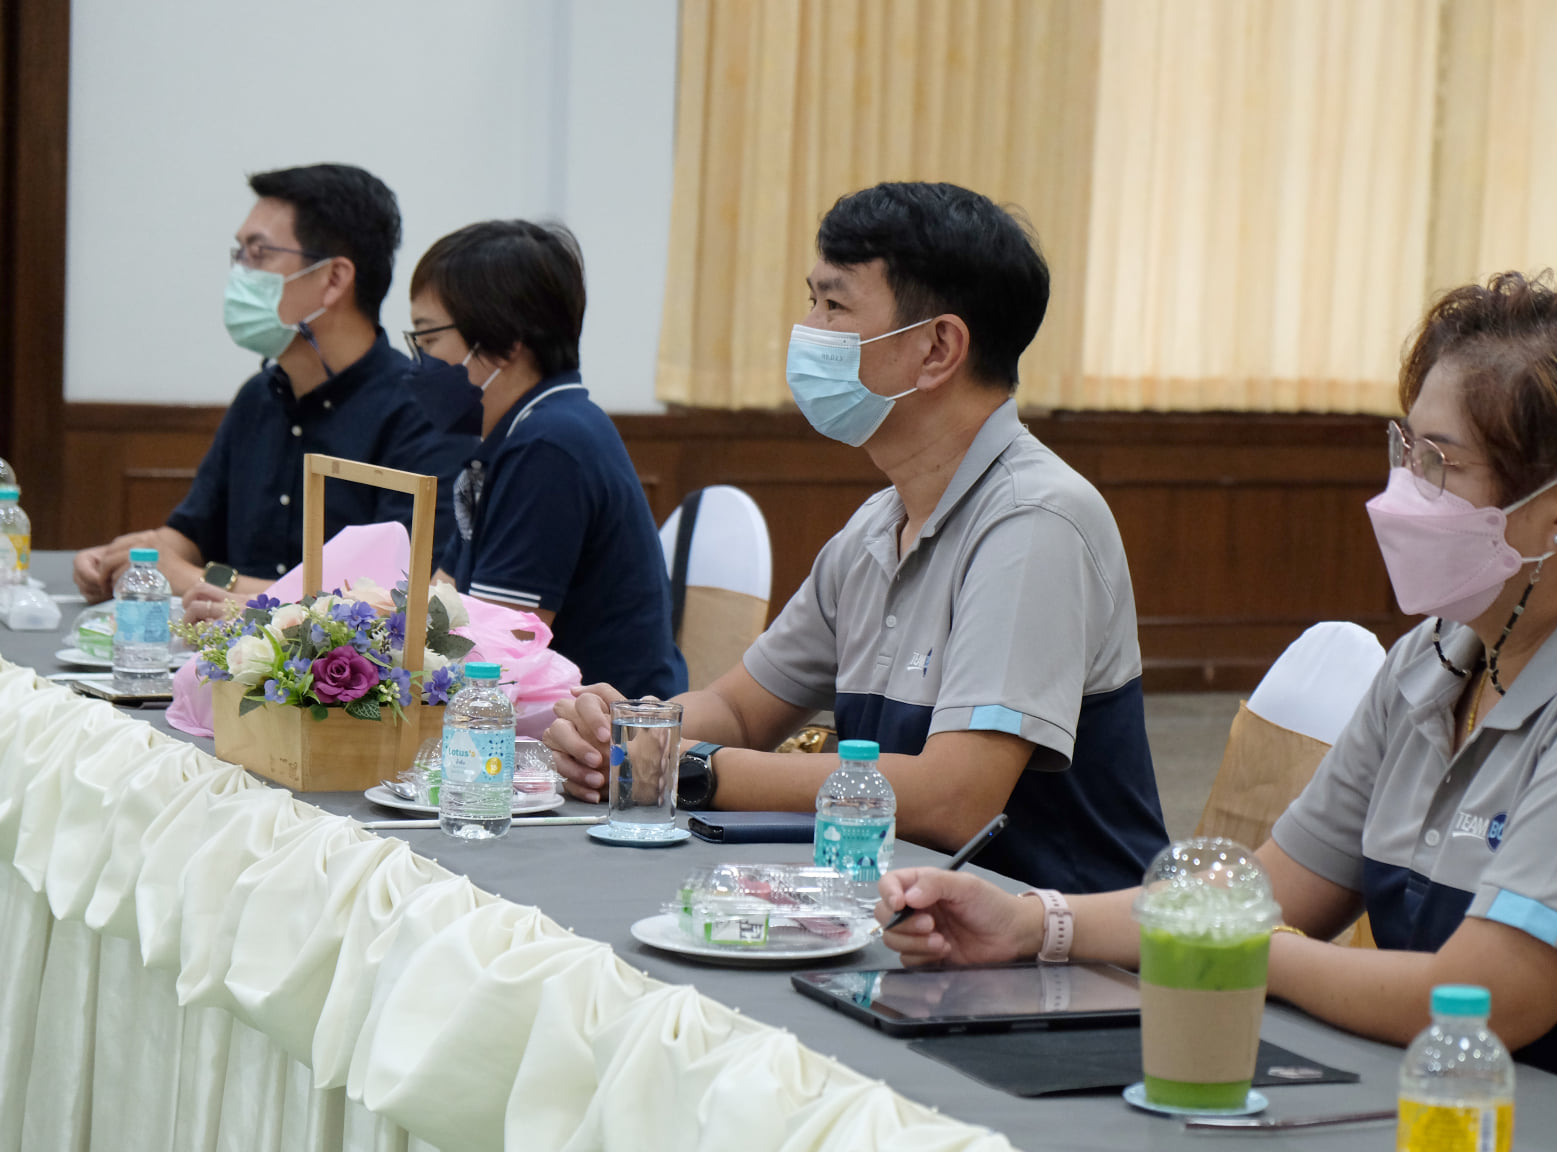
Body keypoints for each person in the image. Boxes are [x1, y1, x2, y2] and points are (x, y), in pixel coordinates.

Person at [875, 270, 1557, 1132]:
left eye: (1442, 463)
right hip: (1432, 1109)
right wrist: (1027, 924)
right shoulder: (1434, 659)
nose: (1403, 490)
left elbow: (1480, 1000)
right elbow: (1263, 894)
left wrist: (1245, 949)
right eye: (1405, 451)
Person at [545, 182, 1169, 893]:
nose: (808, 329)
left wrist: (687, 768)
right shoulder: (878, 526)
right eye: (812, 300)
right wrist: (624, 734)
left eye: (834, 305)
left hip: (1056, 952)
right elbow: (745, 709)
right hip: (908, 918)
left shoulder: (1036, 522)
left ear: (938, 348)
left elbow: (953, 800)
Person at [74, 163, 472, 606]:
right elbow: (189, 531)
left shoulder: (420, 413)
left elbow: (385, 603)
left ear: (334, 278)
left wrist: (192, 578)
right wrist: (134, 559)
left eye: (258, 254)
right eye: (239, 253)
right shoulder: (258, 396)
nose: (240, 273)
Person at [408, 219, 686, 700]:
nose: (419, 360)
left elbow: (497, 654)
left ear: (506, 340)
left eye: (429, 339)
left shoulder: (550, 447)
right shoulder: (520, 434)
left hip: (602, 742)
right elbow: (442, 601)